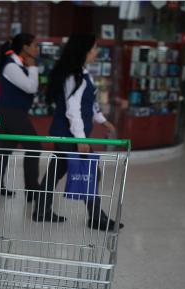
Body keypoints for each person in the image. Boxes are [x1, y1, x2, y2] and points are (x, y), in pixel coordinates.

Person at [35, 33, 124, 230]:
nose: (96, 52)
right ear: (83, 51)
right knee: (91, 172)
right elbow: (73, 110)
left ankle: (41, 210)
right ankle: (96, 218)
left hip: (63, 133)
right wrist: (81, 139)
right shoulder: (73, 76)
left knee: (55, 172)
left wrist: (103, 120)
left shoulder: (81, 73)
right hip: (68, 134)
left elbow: (89, 103)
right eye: (94, 49)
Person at [0, 33, 42, 202]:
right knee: (34, 145)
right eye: (34, 45)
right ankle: (32, 190)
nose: (37, 48)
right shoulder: (12, 66)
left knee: (5, 148)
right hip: (11, 112)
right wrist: (33, 67)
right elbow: (30, 87)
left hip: (13, 112)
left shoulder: (19, 64)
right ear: (25, 47)